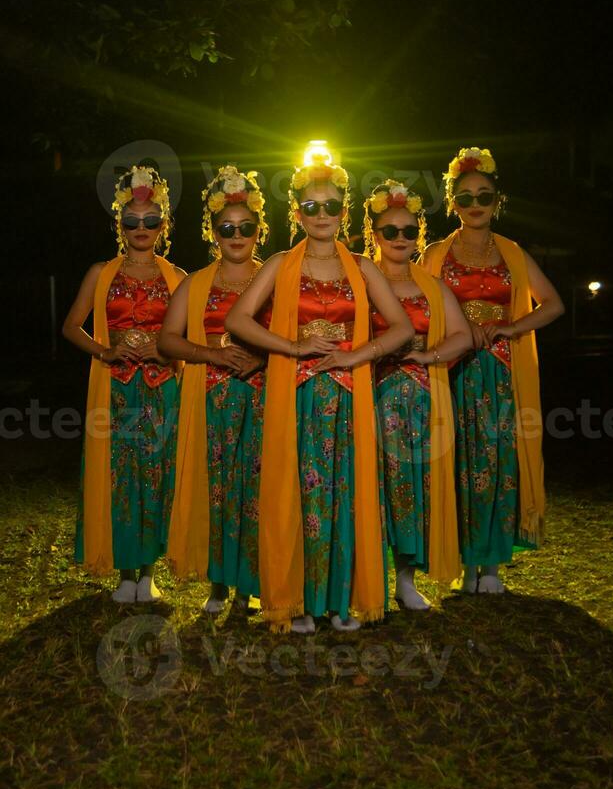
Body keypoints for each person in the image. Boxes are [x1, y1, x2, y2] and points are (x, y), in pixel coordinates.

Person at [225, 150, 413, 634]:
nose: (323, 215)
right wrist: (291, 345)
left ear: (344, 212)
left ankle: (344, 600)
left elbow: (402, 329)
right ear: (297, 213)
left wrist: (356, 354)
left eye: (331, 206)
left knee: (346, 494)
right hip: (297, 397)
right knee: (300, 496)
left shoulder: (364, 269)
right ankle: (302, 602)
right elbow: (237, 321)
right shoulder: (281, 263)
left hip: (349, 399)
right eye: (312, 207)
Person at [420, 147, 564, 594]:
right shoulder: (436, 255)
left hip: (501, 374)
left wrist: (508, 326)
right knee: (456, 461)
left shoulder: (513, 253)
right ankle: (466, 562)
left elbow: (553, 305)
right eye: (465, 198)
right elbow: (420, 312)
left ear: (497, 201)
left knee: (499, 463)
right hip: (456, 372)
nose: (475, 204)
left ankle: (493, 567)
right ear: (452, 204)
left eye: (484, 195)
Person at [63, 165, 185, 602]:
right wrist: (105, 351)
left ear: (163, 225)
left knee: (156, 476)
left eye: (150, 220)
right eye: (132, 221)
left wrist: (166, 351)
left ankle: (147, 572)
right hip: (114, 389)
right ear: (120, 224)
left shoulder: (179, 278)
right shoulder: (101, 273)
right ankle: (124, 572)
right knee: (118, 477)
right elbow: (72, 327)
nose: (141, 228)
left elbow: (190, 340)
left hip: (162, 389)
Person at [159, 166, 269, 614]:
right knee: (217, 489)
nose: (236, 235)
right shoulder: (196, 283)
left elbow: (291, 336)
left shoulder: (274, 278)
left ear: (258, 231)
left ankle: (250, 586)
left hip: (263, 399)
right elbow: (168, 340)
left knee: (255, 491)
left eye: (245, 227)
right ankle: (219, 585)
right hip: (211, 400)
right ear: (213, 232)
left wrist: (263, 358)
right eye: (227, 228)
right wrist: (214, 356)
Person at [363, 180, 472, 609]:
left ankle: (405, 581)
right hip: (369, 398)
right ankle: (367, 579)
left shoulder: (430, 286)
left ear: (418, 237)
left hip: (422, 404)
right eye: (390, 231)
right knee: (372, 486)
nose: (400, 239)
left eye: (409, 231)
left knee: (414, 488)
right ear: (375, 236)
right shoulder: (360, 281)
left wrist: (431, 358)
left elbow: (464, 335)